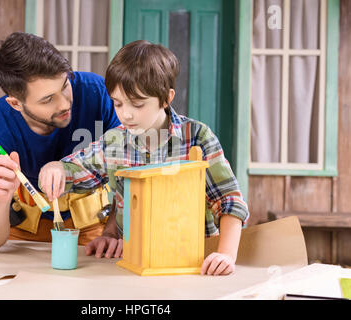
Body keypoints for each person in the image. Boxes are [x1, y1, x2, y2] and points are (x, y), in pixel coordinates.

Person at [38, 40, 250, 276]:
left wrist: (226, 255)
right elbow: (75, 170)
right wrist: (55, 168)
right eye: (117, 103)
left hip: (191, 265)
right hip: (134, 266)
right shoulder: (115, 142)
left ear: (166, 98)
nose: (126, 114)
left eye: (137, 104)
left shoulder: (197, 138)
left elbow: (229, 201)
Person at [0, 32, 120, 252]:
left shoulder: (98, 94)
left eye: (64, 86)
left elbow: (130, 173)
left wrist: (113, 232)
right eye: (48, 99)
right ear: (16, 104)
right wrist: (0, 201)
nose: (64, 104)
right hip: (22, 237)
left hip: (92, 230)